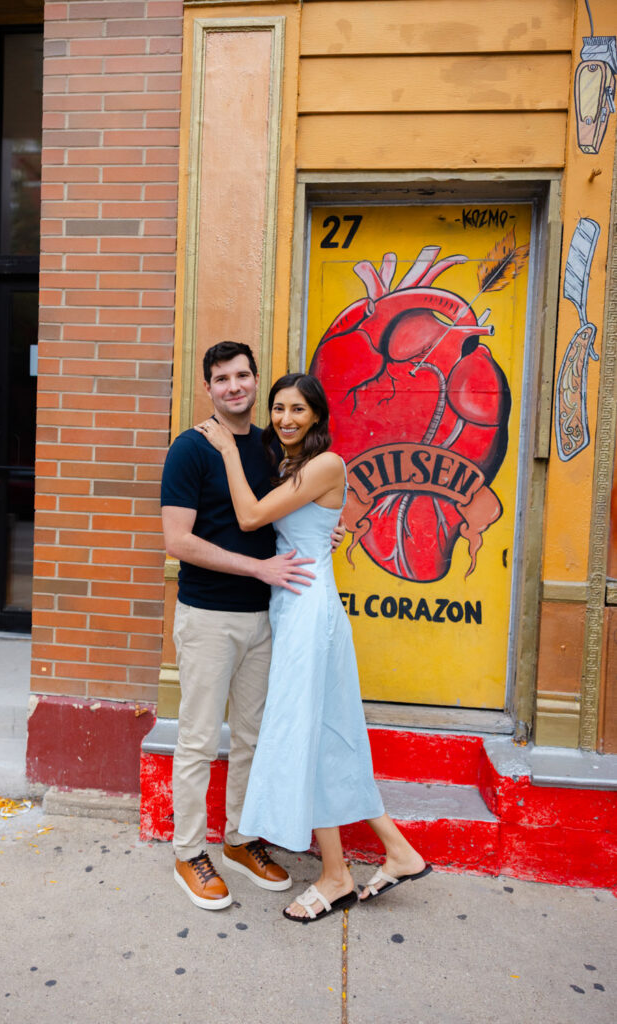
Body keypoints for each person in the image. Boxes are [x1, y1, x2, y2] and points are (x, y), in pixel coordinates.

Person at [196, 373, 431, 922]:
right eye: (277, 409)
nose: (284, 419)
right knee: (324, 734)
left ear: (318, 416)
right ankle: (397, 852)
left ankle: (335, 874)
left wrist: (229, 449)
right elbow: (294, 524)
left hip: (309, 611)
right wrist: (325, 528)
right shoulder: (296, 466)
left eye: (297, 410)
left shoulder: (325, 463)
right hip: (295, 606)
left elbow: (252, 515)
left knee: (308, 735)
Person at [161, 342, 343, 911]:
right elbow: (178, 541)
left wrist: (330, 534)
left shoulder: (273, 445)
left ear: (255, 379)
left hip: (268, 617)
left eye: (243, 375)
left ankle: (240, 837)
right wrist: (256, 566)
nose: (234, 386)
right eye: (222, 378)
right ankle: (189, 850)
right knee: (196, 739)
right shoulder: (190, 449)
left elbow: (296, 511)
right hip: (209, 616)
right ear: (209, 388)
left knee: (252, 739)